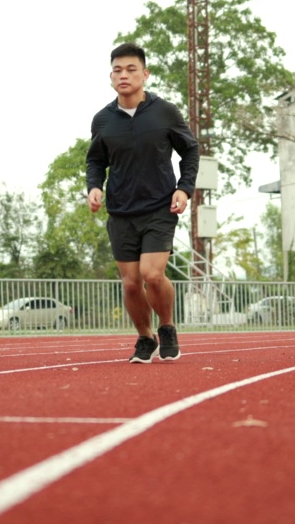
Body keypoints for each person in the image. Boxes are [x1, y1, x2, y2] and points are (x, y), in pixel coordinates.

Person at [86, 42, 200, 363]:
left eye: (131, 69)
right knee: (132, 283)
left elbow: (190, 150)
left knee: (152, 275)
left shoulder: (165, 112)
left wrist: (185, 188)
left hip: (159, 208)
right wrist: (94, 186)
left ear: (145, 74)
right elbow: (95, 160)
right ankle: (144, 338)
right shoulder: (103, 120)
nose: (124, 75)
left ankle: (166, 327)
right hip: (120, 211)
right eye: (117, 70)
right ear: (111, 77)